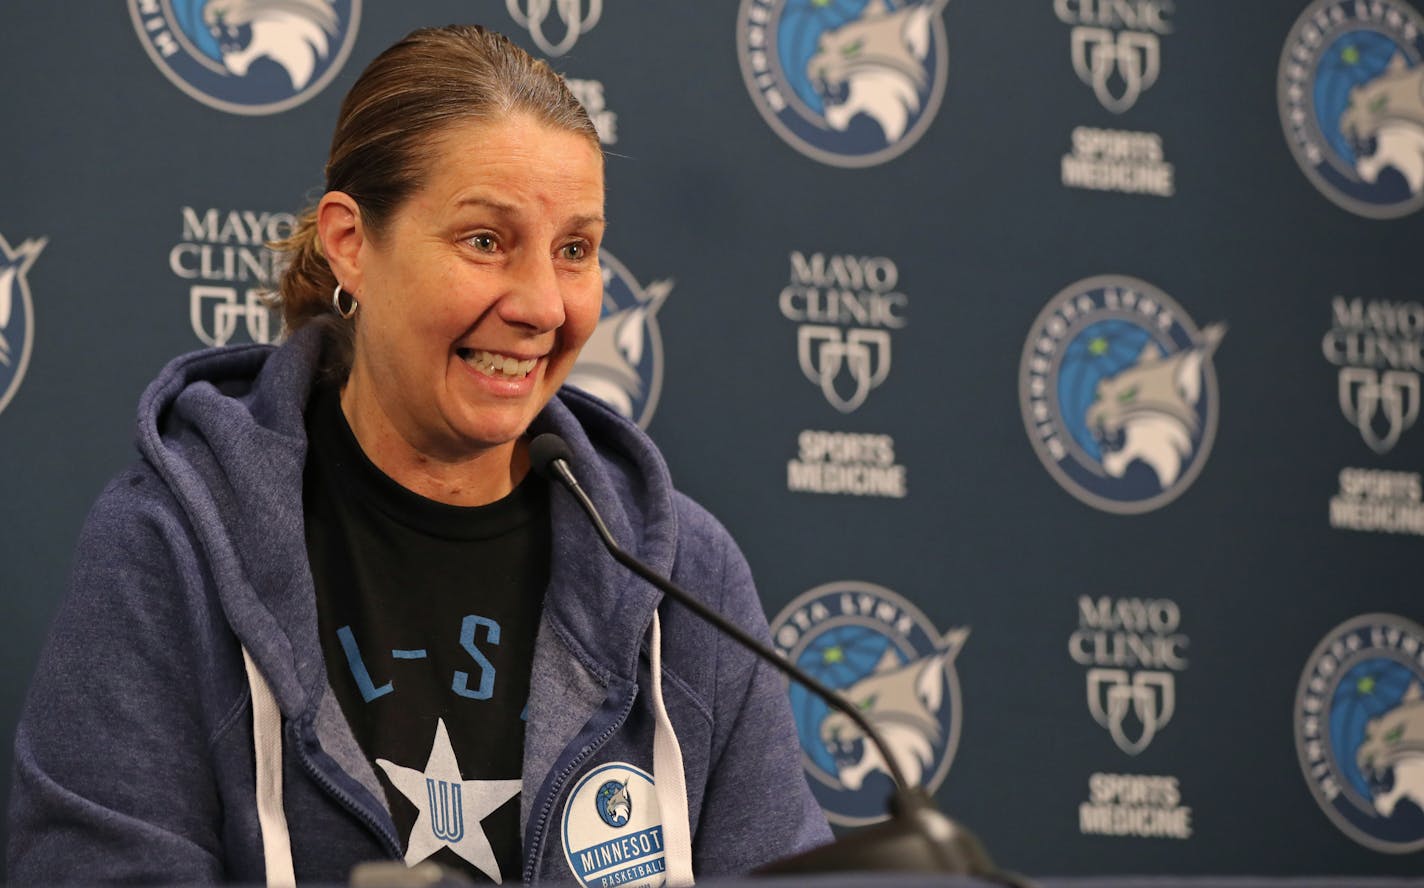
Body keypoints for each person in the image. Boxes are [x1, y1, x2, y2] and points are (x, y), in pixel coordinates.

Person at [7, 25, 829, 886]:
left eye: (575, 250)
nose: (544, 305)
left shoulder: (681, 575)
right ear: (351, 244)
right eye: (485, 241)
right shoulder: (170, 546)